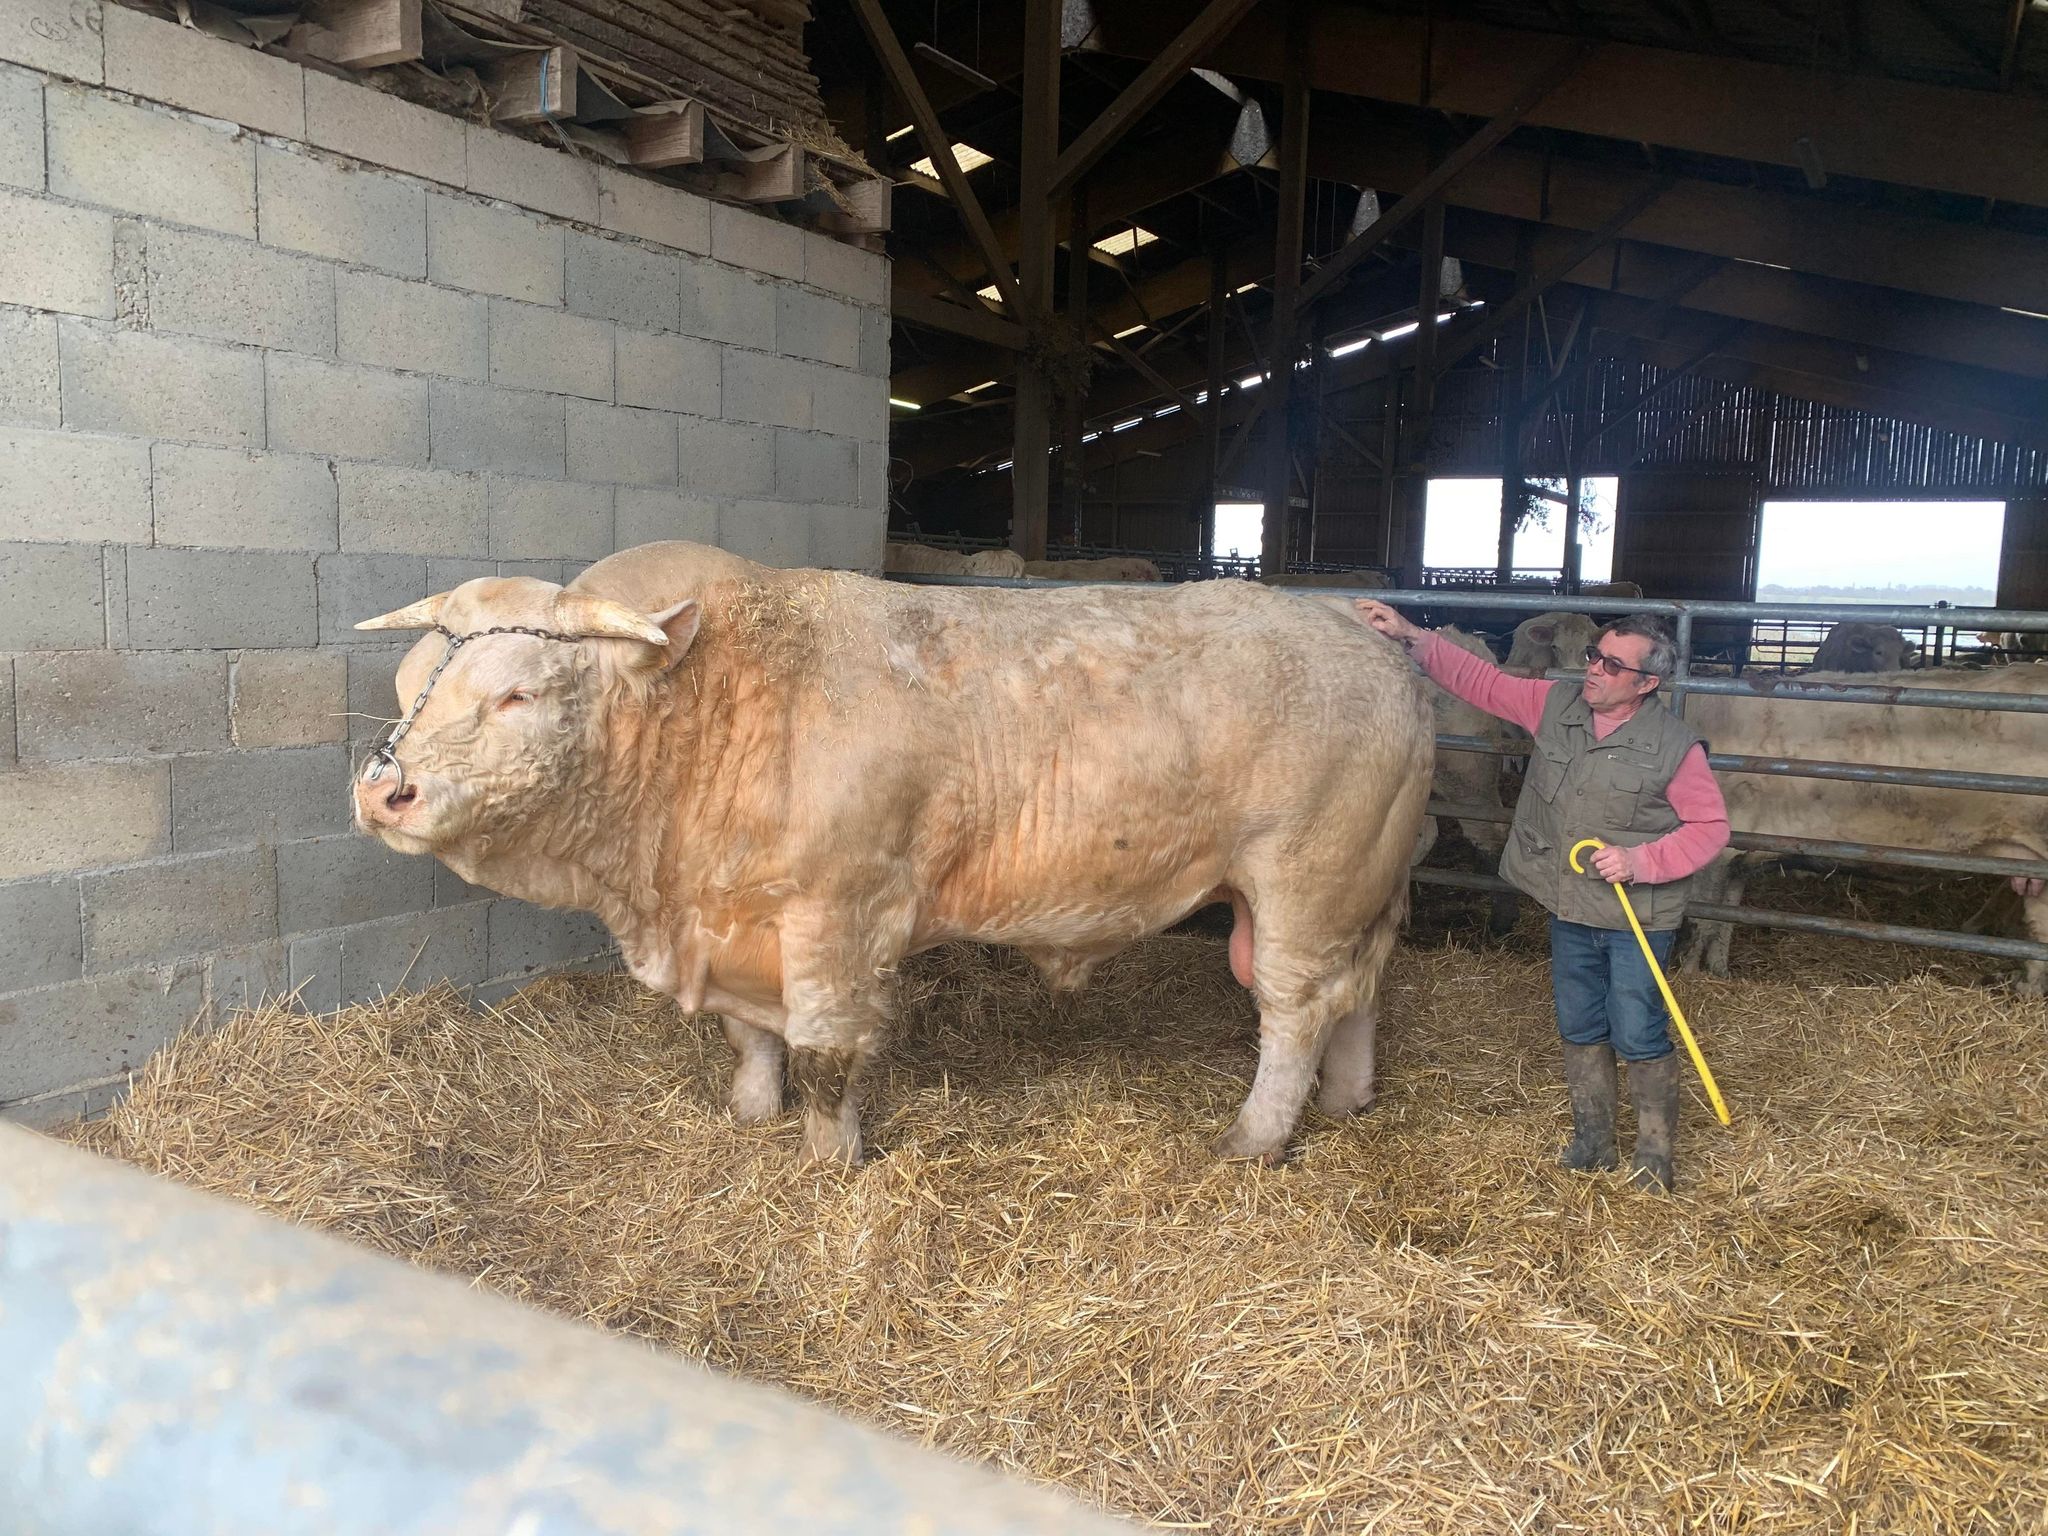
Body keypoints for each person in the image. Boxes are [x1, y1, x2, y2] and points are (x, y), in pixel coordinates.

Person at [1354, 600, 1730, 1192]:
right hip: (1570, 902)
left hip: (1637, 914)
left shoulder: (1675, 748)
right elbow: (1483, 682)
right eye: (1595, 656)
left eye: (1612, 665)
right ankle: (1593, 1141)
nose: (1594, 669)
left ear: (1646, 684)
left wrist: (1640, 861)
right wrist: (1411, 636)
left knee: (1637, 1026)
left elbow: (1710, 829)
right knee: (1580, 1020)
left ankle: (1654, 1154)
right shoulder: (1557, 705)